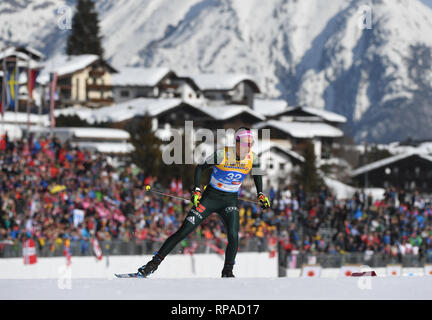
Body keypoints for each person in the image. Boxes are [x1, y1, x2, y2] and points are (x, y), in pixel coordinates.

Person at [137, 127, 270, 278]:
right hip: (210, 198)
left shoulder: (253, 158)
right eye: (246, 143)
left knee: (233, 235)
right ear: (237, 143)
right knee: (183, 232)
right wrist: (197, 190)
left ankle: (227, 271)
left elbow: (257, 175)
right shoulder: (222, 154)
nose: (249, 147)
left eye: (251, 144)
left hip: (229, 201)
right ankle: (152, 265)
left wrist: (260, 194)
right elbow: (200, 168)